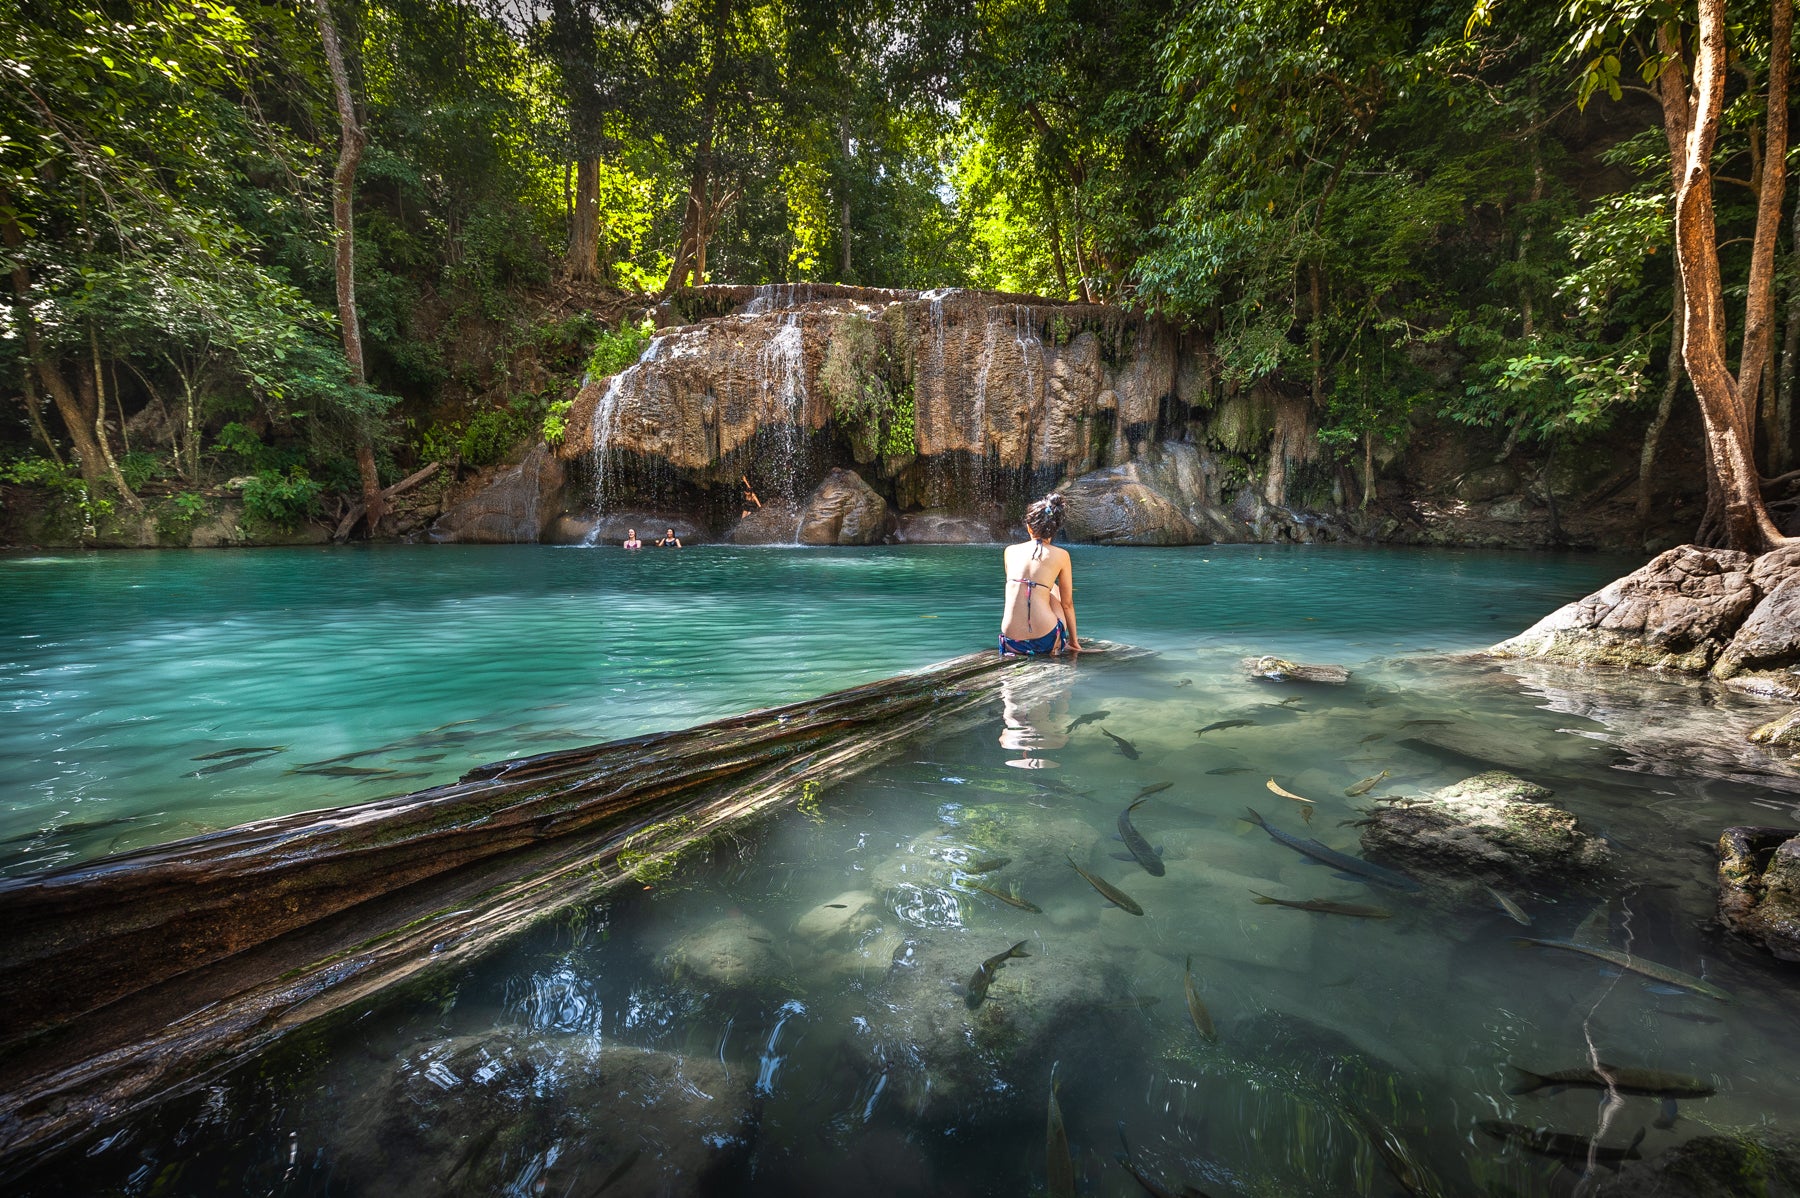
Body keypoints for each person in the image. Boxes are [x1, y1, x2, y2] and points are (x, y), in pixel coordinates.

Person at [999, 493, 1080, 655]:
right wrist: (1074, 642)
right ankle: (1067, 642)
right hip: (1046, 641)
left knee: (1030, 586)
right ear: (1055, 529)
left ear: (1029, 527)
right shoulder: (1061, 555)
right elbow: (1067, 604)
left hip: (1011, 642)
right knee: (1052, 588)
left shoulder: (1009, 551)